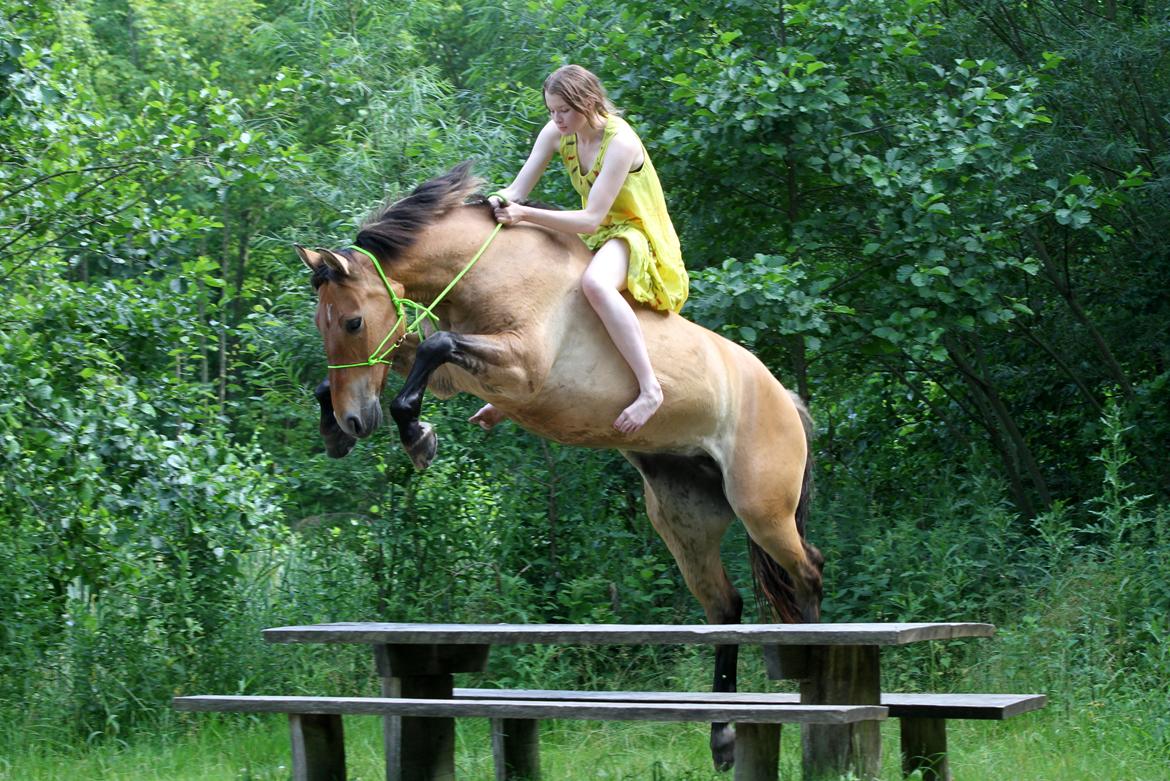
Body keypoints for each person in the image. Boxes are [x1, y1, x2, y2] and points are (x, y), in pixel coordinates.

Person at [470, 64, 688, 434]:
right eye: (551, 111)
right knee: (551, 286)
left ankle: (650, 389)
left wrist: (525, 215)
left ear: (588, 102)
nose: (557, 119)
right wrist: (492, 203)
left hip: (636, 233)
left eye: (564, 110)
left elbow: (590, 218)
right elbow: (517, 189)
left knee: (596, 285)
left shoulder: (620, 142)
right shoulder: (557, 132)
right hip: (599, 234)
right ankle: (518, 391)